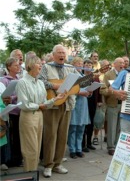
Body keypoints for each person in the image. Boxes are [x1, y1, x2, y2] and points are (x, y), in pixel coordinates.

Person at [16, 56, 64, 172]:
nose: (41, 65)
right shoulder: (22, 82)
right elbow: (23, 104)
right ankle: (29, 174)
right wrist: (39, 106)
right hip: (28, 116)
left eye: (41, 64)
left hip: (39, 116)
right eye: (39, 63)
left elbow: (43, 102)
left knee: (37, 149)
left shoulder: (40, 83)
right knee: (30, 149)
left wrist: (55, 99)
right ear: (31, 65)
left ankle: (33, 174)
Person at [39, 44, 80, 178]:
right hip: (52, 104)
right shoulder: (46, 67)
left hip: (67, 105)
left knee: (63, 135)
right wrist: (56, 85)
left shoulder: (71, 68)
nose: (62, 55)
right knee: (50, 135)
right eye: (59, 53)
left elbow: (81, 82)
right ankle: (48, 165)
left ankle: (58, 164)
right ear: (54, 55)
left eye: (64, 53)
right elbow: (41, 82)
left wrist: (89, 81)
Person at [100, 57, 124, 155]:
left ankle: (117, 145)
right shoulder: (108, 74)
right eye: (120, 63)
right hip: (112, 104)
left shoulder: (126, 74)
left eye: (123, 63)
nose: (122, 65)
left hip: (123, 105)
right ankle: (111, 147)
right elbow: (102, 90)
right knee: (111, 127)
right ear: (114, 64)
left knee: (120, 127)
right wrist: (112, 91)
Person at [0, 57, 22, 167]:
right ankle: (10, 159)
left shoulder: (19, 77)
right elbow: (4, 97)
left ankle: (17, 159)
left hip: (19, 110)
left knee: (18, 136)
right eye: (15, 65)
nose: (18, 67)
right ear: (9, 67)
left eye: (18, 65)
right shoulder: (4, 80)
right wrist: (15, 97)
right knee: (11, 137)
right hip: (10, 112)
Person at [68, 57, 91, 159]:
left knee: (81, 127)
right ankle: (72, 149)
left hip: (83, 104)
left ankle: (79, 148)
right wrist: (79, 92)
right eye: (78, 63)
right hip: (75, 103)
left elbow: (87, 91)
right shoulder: (71, 75)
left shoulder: (83, 76)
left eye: (81, 63)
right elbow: (68, 90)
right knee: (73, 127)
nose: (80, 65)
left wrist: (90, 92)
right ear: (73, 64)